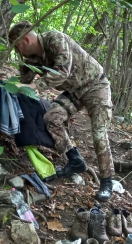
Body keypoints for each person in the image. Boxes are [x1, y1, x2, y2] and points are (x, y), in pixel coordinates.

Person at [8, 21, 115, 202]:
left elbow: (62, 72)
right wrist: (4, 86)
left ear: (26, 39)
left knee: (98, 133)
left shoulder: (54, 39)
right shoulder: (31, 60)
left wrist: (35, 86)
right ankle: (75, 161)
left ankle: (107, 182)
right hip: (74, 92)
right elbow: (21, 83)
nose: (18, 52)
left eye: (18, 46)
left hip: (96, 85)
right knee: (52, 117)